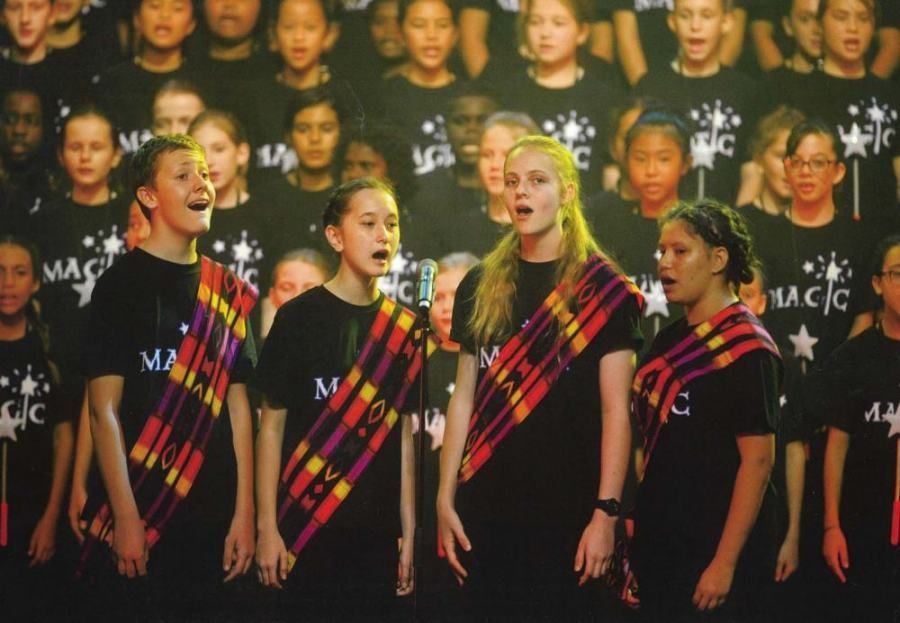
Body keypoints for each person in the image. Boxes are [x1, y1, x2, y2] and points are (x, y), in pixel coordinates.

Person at [437, 136, 643, 620]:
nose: (520, 193)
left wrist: (606, 513)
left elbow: (618, 411)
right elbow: (463, 397)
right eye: (512, 182)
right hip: (485, 509)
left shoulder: (604, 289)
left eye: (536, 181)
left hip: (570, 514)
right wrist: (444, 499)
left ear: (568, 192)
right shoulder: (480, 281)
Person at [76, 135, 257, 621]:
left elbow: (240, 410)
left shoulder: (230, 292)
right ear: (148, 196)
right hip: (143, 503)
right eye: (183, 175)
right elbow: (103, 411)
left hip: (215, 512)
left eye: (203, 173)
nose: (202, 184)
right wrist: (127, 518)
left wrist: (245, 514)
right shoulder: (118, 285)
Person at [254, 177, 424, 619]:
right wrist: (266, 526)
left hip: (376, 533)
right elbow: (270, 428)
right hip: (304, 525)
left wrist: (407, 533)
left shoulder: (403, 329)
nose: (382, 235)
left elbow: (405, 437)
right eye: (368, 223)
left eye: (391, 224)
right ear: (335, 235)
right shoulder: (297, 318)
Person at [632, 199, 782, 622]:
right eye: (662, 252)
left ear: (719, 259)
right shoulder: (665, 342)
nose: (665, 263)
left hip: (714, 553)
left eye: (681, 251)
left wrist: (724, 564)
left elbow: (758, 462)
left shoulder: (750, 350)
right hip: (663, 547)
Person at [817, 234, 900, 623]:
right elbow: (837, 443)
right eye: (897, 274)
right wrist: (831, 525)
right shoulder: (854, 356)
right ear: (877, 284)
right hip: (863, 525)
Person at [0, 234, 75, 621]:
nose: (7, 283)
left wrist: (50, 517)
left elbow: (65, 436)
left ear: (36, 282)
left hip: (37, 511)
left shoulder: (50, 349)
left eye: (19, 272)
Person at [633, 0, 762, 206]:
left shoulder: (745, 91)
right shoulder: (651, 86)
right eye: (685, 15)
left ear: (727, 22)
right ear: (672, 21)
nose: (695, 26)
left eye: (706, 15)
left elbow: (753, 171)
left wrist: (732, 228)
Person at [592, 108, 693, 347]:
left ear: (686, 163)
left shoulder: (698, 229)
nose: (651, 170)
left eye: (664, 159)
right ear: (626, 161)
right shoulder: (611, 228)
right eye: (640, 158)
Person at [497, 0, 621, 193]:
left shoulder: (602, 97)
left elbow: (611, 175)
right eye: (536, 22)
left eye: (558, 23)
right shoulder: (509, 95)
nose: (545, 33)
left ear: (582, 33)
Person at [92, 0, 197, 156]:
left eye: (177, 8)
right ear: (137, 19)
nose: (164, 15)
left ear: (191, 24)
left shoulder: (207, 81)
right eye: (155, 6)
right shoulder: (111, 84)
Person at [381, 0, 462, 178]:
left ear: (456, 33)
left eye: (442, 25)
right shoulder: (383, 98)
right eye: (419, 25)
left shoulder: (472, 97)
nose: (431, 35)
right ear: (400, 32)